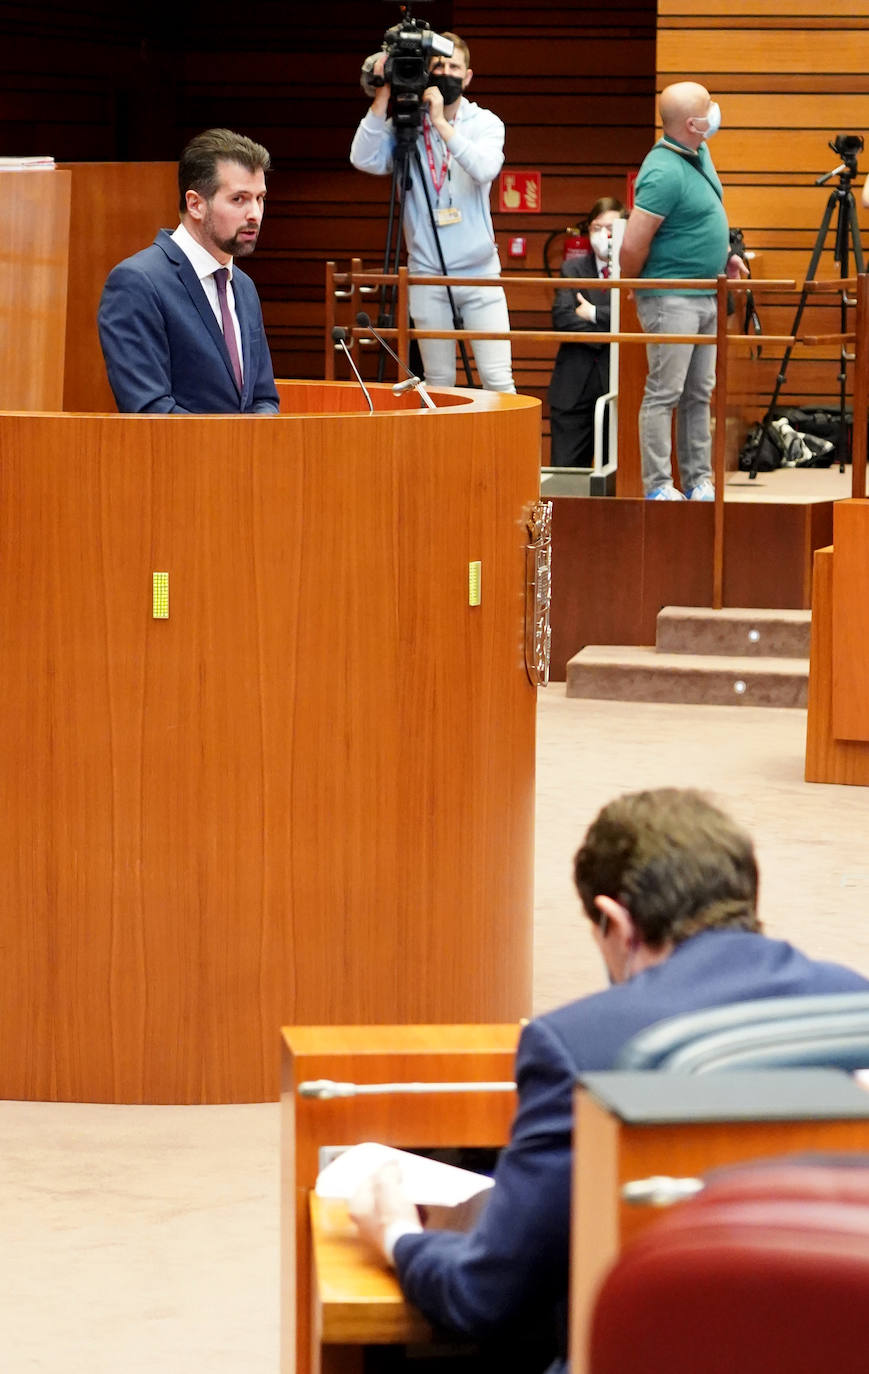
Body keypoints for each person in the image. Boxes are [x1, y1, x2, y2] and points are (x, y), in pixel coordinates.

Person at [349, 787, 869, 1372]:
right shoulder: (855, 1001)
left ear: (616, 923)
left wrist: (395, 1235)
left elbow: (485, 1297)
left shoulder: (576, 1043)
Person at [349, 33, 515, 393]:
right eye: (438, 66)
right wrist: (383, 96)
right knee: (439, 382)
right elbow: (362, 158)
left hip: (480, 274)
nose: (446, 73)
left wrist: (441, 123)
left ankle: (505, 451)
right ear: (426, 73)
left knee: (497, 379)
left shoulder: (485, 123)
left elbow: (485, 168)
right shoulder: (407, 125)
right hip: (427, 275)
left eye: (454, 66)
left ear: (468, 76)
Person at [619, 83, 748, 500]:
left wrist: (725, 256)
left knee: (699, 393)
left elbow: (701, 218)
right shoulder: (661, 170)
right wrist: (636, 285)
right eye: (708, 107)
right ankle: (658, 485)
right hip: (670, 298)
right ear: (693, 124)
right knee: (664, 392)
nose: (715, 110)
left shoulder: (698, 153)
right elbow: (632, 245)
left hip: (706, 293)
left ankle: (699, 480)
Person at [98, 128, 280, 414]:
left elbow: (263, 398)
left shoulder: (243, 286)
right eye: (239, 199)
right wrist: (231, 449)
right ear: (195, 204)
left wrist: (252, 447)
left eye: (260, 198)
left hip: (246, 457)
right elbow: (150, 408)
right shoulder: (138, 282)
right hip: (177, 457)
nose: (255, 213)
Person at [547, 198, 627, 467]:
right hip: (573, 389)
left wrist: (593, 313)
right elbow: (563, 318)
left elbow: (631, 321)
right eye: (596, 227)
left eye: (611, 228)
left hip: (617, 388)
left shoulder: (633, 272)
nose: (603, 235)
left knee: (614, 483)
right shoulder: (573, 269)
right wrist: (609, 325)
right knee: (565, 480)